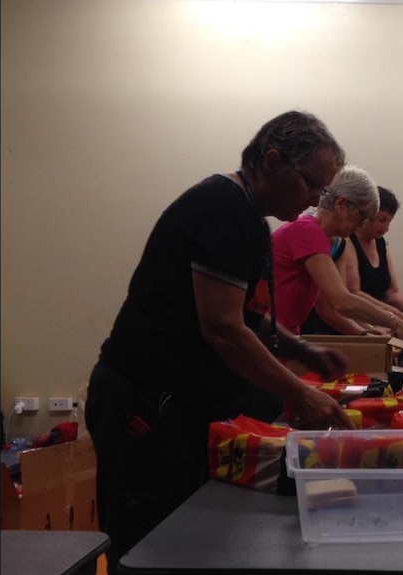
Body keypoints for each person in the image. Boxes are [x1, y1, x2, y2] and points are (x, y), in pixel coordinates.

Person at [86, 111, 356, 575]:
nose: (316, 199)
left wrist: (300, 350)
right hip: (144, 406)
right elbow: (223, 330)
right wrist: (299, 392)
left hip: (175, 406)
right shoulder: (221, 210)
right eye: (313, 185)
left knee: (194, 544)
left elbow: (249, 317)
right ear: (273, 161)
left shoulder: (249, 218)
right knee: (150, 549)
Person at [267, 166, 403, 341]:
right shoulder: (307, 231)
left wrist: (364, 334)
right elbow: (342, 300)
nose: (361, 225)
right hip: (268, 333)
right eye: (362, 216)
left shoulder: (336, 243)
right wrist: (395, 322)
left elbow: (326, 307)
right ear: (341, 205)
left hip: (286, 335)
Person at [305, 186, 403, 334]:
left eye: (389, 221)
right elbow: (348, 296)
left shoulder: (380, 243)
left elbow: (392, 292)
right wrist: (393, 319)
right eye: (381, 220)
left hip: (365, 325)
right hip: (337, 328)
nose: (386, 228)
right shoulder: (344, 240)